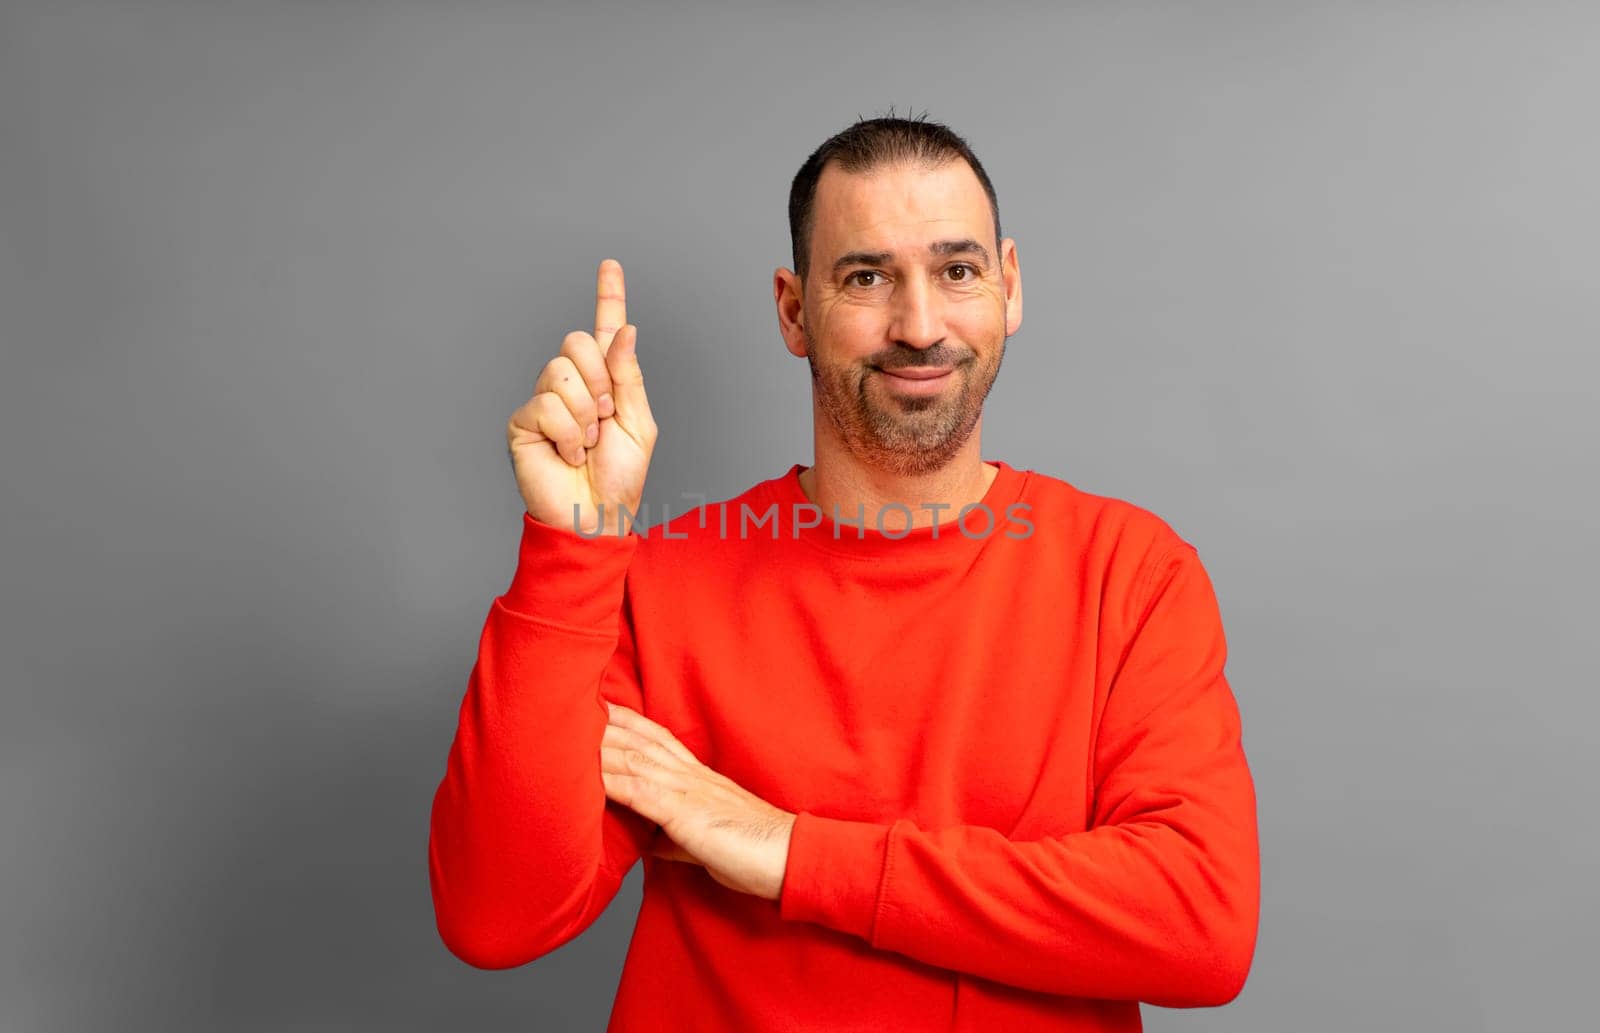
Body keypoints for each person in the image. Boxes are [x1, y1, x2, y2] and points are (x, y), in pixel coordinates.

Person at [427, 116, 1260, 1032]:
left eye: (957, 271)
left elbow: (1200, 924)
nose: (920, 325)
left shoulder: (1131, 574)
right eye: (867, 277)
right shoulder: (662, 580)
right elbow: (496, 916)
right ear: (793, 310)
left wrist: (790, 852)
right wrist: (571, 543)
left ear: (1009, 286)